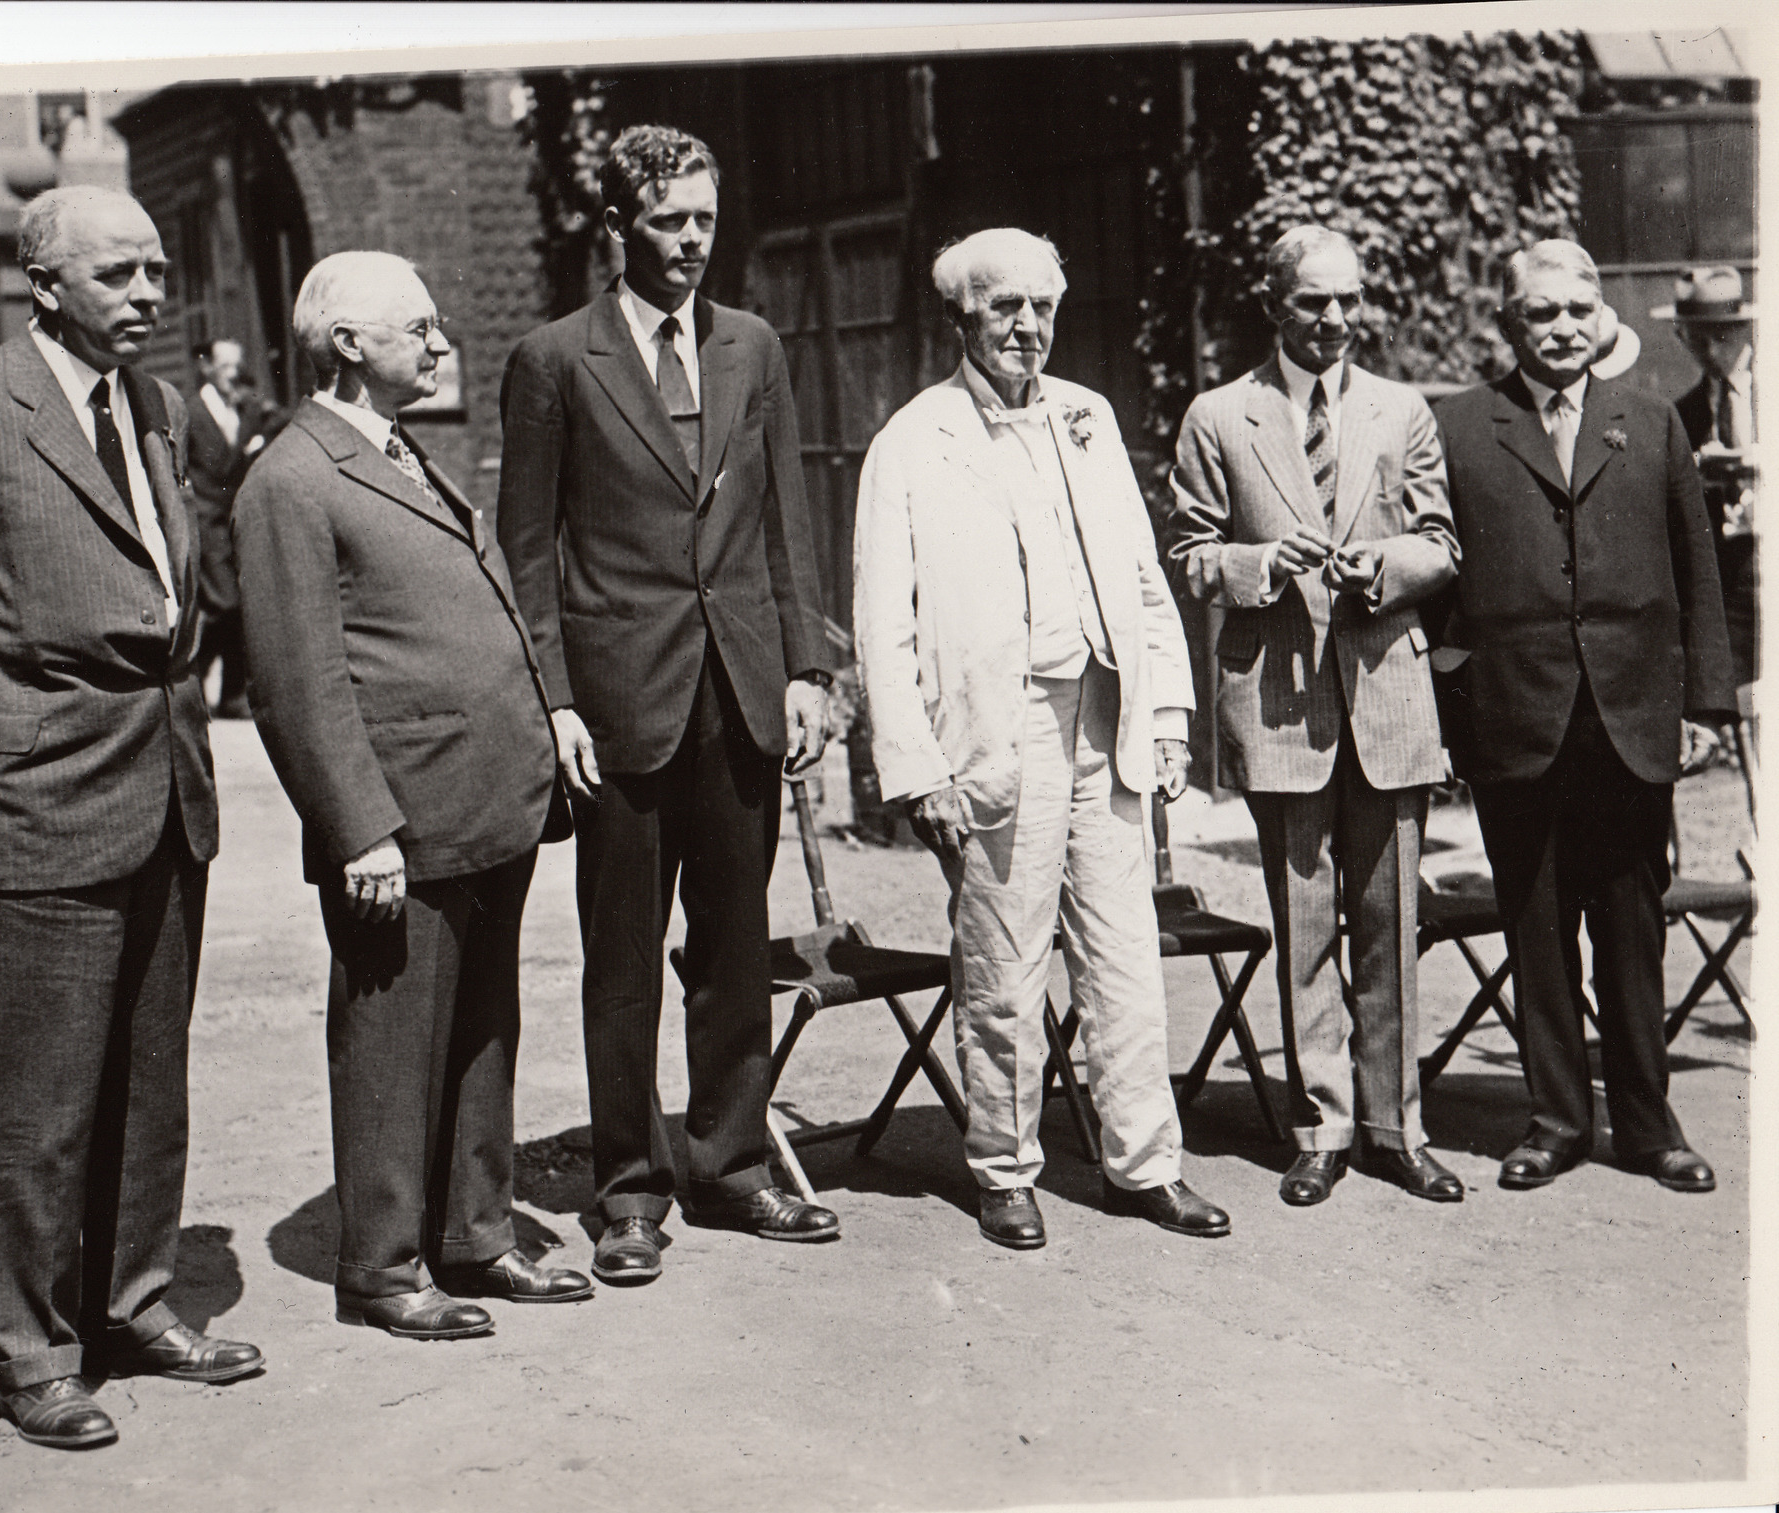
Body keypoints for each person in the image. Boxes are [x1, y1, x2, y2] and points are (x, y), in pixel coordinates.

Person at [0, 185, 262, 1450]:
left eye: (155, 271)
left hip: (161, 797)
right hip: (27, 811)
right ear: (44, 284)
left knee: (151, 1085)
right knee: (37, 1106)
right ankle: (33, 1350)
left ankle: (133, 1301)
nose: (150, 295)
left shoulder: (147, 408)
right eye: (120, 276)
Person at [497, 124, 839, 1286]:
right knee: (625, 961)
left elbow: (786, 520)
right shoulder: (553, 361)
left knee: (736, 950)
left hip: (737, 689)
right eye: (666, 223)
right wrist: (555, 704)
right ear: (617, 230)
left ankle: (733, 1162)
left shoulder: (751, 345)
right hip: (620, 702)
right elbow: (526, 552)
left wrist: (803, 668)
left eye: (703, 218)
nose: (691, 242)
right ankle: (629, 1187)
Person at [234, 253, 591, 1337]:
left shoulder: (400, 454)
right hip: (400, 819)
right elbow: (296, 679)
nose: (443, 347)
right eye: (421, 329)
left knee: (483, 1025)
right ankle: (383, 1264)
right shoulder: (291, 480)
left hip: (482, 799)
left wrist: (544, 719)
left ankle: (474, 1232)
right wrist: (359, 827)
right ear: (348, 342)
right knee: (391, 1044)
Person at [853, 228, 1229, 1249]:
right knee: (1003, 962)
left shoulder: (1086, 418)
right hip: (995, 728)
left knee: (1123, 956)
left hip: (1103, 714)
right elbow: (883, 616)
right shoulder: (914, 439)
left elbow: (1144, 580)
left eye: (1041, 307)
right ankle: (1005, 1167)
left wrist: (1164, 717)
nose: (1026, 326)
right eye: (1003, 308)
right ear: (960, 319)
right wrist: (915, 767)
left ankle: (1145, 1164)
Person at [1165, 225, 1463, 1209]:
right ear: (1273, 302)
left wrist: (1389, 565)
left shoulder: (1400, 408)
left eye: (1345, 301)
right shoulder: (1219, 416)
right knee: (1304, 926)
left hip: (1385, 690)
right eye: (1311, 304)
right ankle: (1321, 1125)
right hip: (1283, 699)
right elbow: (1189, 551)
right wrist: (1257, 568)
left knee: (1390, 918)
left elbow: (1439, 540)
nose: (1332, 320)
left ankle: (1395, 1125)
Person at [1431, 239, 1737, 1193]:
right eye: (1539, 314)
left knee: (1633, 924)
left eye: (1576, 311)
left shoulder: (1647, 423)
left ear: (1598, 316)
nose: (1559, 329)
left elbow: (1699, 572)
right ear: (1507, 324)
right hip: (1515, 717)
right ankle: (1556, 1117)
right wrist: (1455, 711)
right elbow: (1438, 588)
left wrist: (1704, 703)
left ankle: (1648, 1124)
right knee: (1535, 922)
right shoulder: (1459, 428)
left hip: (1630, 714)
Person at [1655, 266, 1758, 695]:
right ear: (1681, 337)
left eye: (1723, 337)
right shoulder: (1682, 414)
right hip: (1731, 584)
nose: (1712, 352)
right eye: (1698, 341)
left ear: (1747, 328)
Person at [186, 338, 260, 719]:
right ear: (207, 368)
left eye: (237, 365)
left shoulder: (245, 410)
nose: (234, 372)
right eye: (226, 365)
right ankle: (192, 683)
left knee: (237, 607)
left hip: (235, 526)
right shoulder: (191, 412)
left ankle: (230, 693)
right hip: (204, 525)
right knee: (224, 604)